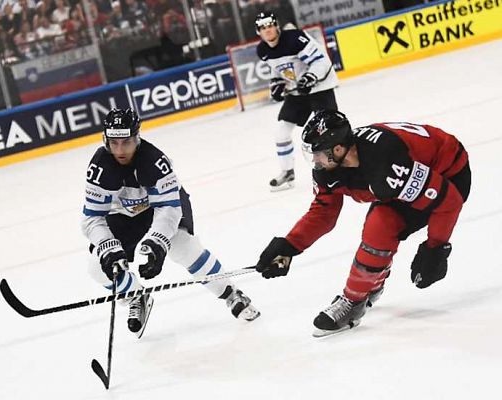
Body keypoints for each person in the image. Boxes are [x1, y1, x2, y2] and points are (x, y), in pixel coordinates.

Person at [254, 110, 471, 337]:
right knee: (379, 227)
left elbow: (449, 201)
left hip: (449, 174)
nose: (315, 161)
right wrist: (290, 245)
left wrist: (436, 248)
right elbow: (323, 212)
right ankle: (367, 288)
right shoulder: (332, 166)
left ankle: (354, 300)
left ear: (338, 149)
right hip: (405, 177)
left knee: (380, 226)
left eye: (318, 153)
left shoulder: (385, 164)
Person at [82, 108, 261, 338]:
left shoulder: (154, 161)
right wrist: (108, 247)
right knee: (97, 268)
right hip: (123, 215)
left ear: (137, 137)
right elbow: (92, 218)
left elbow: (168, 209)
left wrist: (158, 243)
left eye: (126, 142)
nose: (119, 150)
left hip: (164, 208)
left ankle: (231, 293)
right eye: (113, 143)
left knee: (185, 248)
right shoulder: (99, 167)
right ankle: (136, 295)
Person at [255, 12, 339, 191]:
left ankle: (340, 166)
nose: (267, 30)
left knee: (328, 130)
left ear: (276, 26)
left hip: (319, 87)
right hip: (298, 92)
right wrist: (276, 84)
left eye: (270, 25)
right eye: (263, 27)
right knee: (281, 132)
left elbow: (321, 62)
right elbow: (278, 71)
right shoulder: (262, 50)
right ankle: (287, 172)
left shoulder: (295, 39)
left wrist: (310, 77)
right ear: (259, 32)